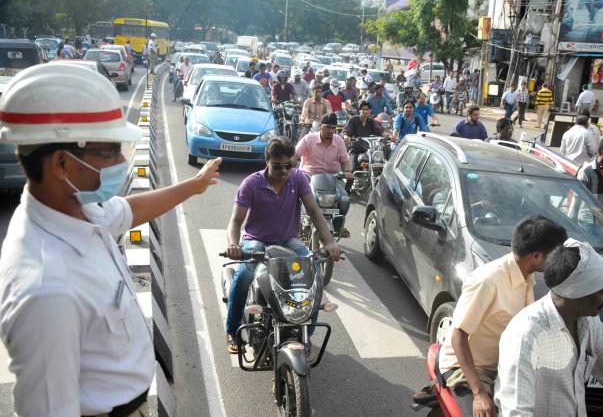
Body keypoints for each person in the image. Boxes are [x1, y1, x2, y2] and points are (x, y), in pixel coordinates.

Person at [0, 63, 222, 416]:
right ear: (61, 163)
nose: (121, 160)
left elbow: (131, 210)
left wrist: (193, 187)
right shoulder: (46, 288)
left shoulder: (79, 209)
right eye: (108, 151)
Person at [439, 216, 568, 417]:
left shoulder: (527, 277)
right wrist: (479, 393)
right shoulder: (488, 281)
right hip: (469, 369)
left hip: (503, 367)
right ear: (535, 255)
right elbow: (458, 337)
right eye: (554, 255)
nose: (556, 261)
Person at [225, 138, 341, 353]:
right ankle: (232, 331)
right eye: (278, 166)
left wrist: (330, 242)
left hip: (288, 241)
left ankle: (307, 332)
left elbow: (314, 211)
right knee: (243, 277)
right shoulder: (251, 183)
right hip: (256, 240)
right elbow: (235, 221)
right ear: (267, 162)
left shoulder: (297, 179)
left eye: (289, 165)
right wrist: (233, 244)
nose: (284, 170)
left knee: (313, 271)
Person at [495, 239, 603, 416]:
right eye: (601, 292)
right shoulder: (526, 334)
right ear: (577, 292)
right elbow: (516, 411)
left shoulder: (588, 322)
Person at [293, 113, 351, 217]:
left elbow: (344, 160)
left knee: (344, 199)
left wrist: (346, 171)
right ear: (320, 126)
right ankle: (297, 222)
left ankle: (339, 225)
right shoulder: (308, 139)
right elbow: (295, 155)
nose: (330, 131)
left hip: (332, 178)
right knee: (294, 197)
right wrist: (288, 169)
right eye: (327, 127)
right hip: (308, 176)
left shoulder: (339, 141)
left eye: (333, 128)